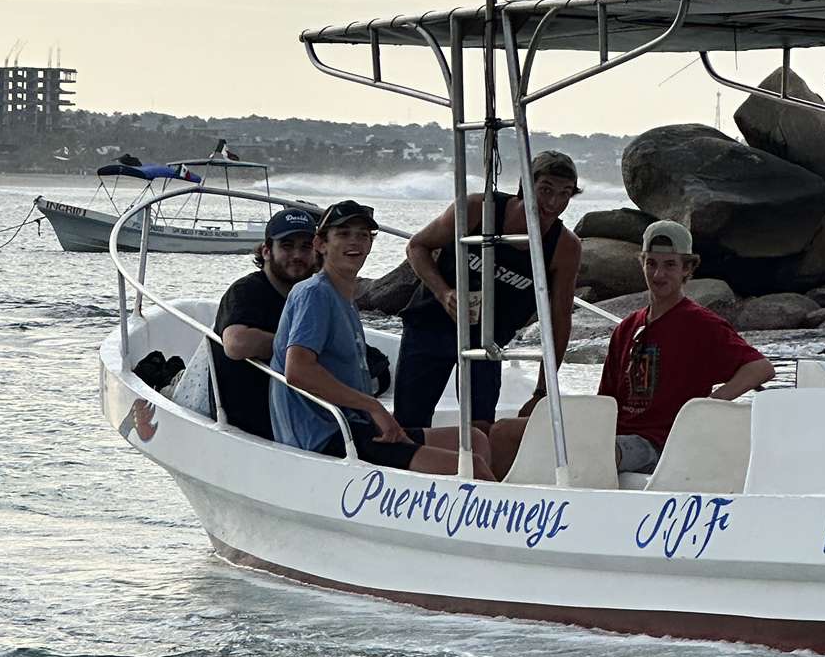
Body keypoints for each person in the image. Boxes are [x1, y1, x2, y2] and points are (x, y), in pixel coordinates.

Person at [272, 200, 491, 476]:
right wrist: (373, 406)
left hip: (356, 427)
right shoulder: (315, 293)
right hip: (325, 436)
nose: (355, 242)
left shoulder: (344, 298)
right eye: (343, 233)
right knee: (475, 469)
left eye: (363, 235)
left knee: (475, 440)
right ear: (320, 244)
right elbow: (298, 370)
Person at [393, 151, 583, 431]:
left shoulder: (565, 247)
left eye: (564, 193)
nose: (553, 203)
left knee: (480, 429)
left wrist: (543, 391)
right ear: (526, 186)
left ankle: (473, 472)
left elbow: (559, 321)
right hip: (430, 325)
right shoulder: (477, 209)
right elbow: (416, 246)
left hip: (487, 341)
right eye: (545, 190)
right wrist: (444, 292)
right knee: (409, 423)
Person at [594, 220, 774, 475]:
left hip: (662, 444)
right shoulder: (627, 327)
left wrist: (706, 406)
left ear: (687, 269)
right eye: (651, 264)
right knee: (545, 439)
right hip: (619, 438)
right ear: (642, 263)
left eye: (669, 265)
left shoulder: (701, 323)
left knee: (592, 453)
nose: (658, 275)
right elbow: (606, 401)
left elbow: (760, 368)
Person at [212, 206, 320, 438]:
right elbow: (236, 343)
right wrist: (303, 350)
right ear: (266, 250)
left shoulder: (312, 295)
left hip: (299, 413)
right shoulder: (246, 290)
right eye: (287, 246)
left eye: (306, 246)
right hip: (250, 418)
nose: (297, 256)